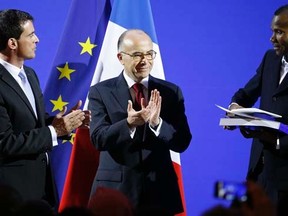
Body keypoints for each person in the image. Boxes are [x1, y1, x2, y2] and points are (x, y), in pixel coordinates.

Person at [88, 29, 192, 215]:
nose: (145, 61)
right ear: (121, 57)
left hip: (159, 193)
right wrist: (128, 124)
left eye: (149, 54)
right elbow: (98, 139)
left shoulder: (171, 92)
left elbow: (182, 141)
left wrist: (157, 123)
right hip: (116, 193)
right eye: (137, 55)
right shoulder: (100, 92)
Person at [0, 9, 90, 206]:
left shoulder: (30, 74)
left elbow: (31, 123)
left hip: (42, 189)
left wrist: (65, 123)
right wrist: (54, 131)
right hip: (12, 195)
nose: (37, 40)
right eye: (31, 35)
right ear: (12, 43)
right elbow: (4, 143)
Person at [227, 4, 288, 216]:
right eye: (272, 31)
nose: (272, 38)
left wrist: (277, 140)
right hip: (258, 172)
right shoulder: (270, 59)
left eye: (279, 32)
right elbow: (246, 93)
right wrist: (235, 107)